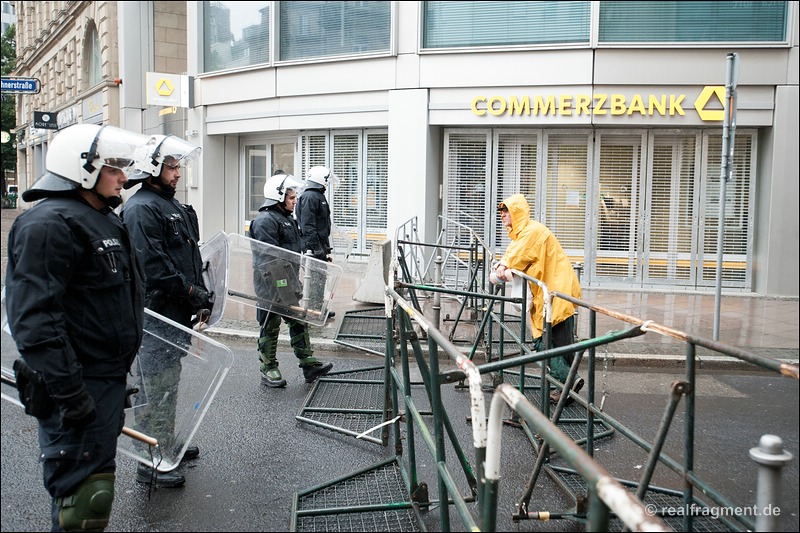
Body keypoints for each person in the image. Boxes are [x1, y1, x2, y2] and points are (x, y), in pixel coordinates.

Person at [5, 123, 148, 531]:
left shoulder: (100, 217)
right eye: (114, 168)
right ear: (81, 168)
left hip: (103, 382)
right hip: (77, 387)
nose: (124, 177)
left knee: (96, 490)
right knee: (83, 501)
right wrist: (73, 396)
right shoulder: (48, 224)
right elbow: (35, 322)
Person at [121, 135, 210, 488]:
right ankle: (150, 461)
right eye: (172, 167)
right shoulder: (142, 208)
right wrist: (191, 291)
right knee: (154, 385)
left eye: (178, 166)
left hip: (174, 314)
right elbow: (153, 266)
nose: (178, 173)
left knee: (168, 382)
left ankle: (165, 442)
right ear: (152, 169)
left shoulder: (167, 204)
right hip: (156, 314)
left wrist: (199, 291)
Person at [491, 193, 584, 405]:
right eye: (501, 212)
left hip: (554, 292)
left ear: (518, 212)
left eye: (507, 211)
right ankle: (567, 390)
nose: (503, 215)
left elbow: (514, 256)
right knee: (561, 343)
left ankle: (570, 382)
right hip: (554, 290)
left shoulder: (531, 232)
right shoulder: (527, 232)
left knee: (543, 343)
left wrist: (501, 267)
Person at [249, 172, 334, 388]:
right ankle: (268, 368)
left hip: (288, 281)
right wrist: (282, 288)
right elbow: (268, 258)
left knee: (298, 321)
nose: (295, 201)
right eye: (290, 197)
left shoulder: (286, 219)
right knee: (270, 325)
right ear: (278, 197)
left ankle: (308, 364)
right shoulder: (264, 221)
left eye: (295, 197)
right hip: (271, 286)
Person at [294, 165, 337, 318]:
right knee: (314, 280)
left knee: (319, 278)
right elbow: (308, 226)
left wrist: (324, 248)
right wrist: (315, 248)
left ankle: (317, 308)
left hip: (319, 244)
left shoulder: (316, 195)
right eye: (326, 180)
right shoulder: (310, 197)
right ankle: (313, 311)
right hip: (313, 246)